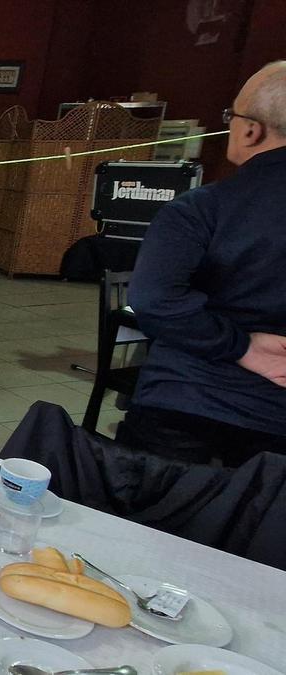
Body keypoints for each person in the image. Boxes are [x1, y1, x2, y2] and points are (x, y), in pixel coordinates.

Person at [120, 61, 286, 466]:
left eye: (231, 116)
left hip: (186, 410)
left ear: (251, 129)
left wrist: (243, 347)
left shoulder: (202, 209)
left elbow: (154, 299)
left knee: (156, 527)